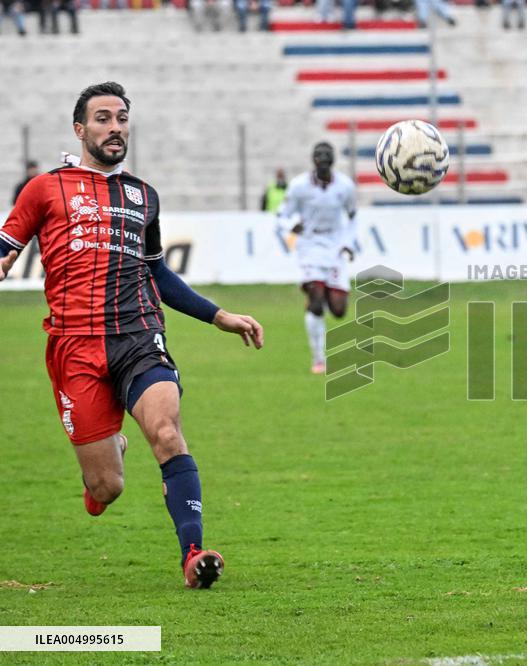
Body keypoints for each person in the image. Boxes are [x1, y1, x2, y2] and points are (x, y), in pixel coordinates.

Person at [0, 82, 264, 589]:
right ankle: (106, 462)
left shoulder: (144, 196)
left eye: (121, 117)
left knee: (166, 433)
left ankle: (193, 554)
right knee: (107, 486)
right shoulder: (44, 188)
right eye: (102, 118)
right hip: (74, 347)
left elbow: (157, 275)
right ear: (80, 129)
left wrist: (218, 315)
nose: (115, 126)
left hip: (139, 336)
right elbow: (6, 244)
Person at [278, 142, 358, 374]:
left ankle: (319, 293)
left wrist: (348, 243)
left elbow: (353, 217)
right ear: (313, 160)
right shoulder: (299, 186)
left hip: (334, 248)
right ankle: (318, 359)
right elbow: (282, 215)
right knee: (316, 300)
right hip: (310, 246)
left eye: (327, 157)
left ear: (332, 160)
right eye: (319, 157)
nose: (322, 160)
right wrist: (291, 225)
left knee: (338, 310)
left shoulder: (345, 186)